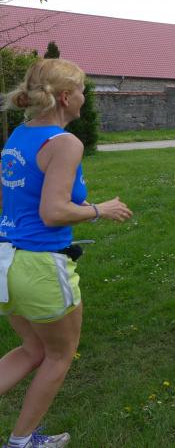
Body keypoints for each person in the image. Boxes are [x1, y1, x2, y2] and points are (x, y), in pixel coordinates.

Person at [0, 59, 132, 448]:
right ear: (64, 97)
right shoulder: (65, 143)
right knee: (60, 354)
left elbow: (18, 198)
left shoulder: (19, 135)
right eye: (82, 91)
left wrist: (81, 204)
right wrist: (99, 210)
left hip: (5, 259)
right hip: (40, 264)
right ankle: (22, 442)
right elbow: (52, 212)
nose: (84, 98)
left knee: (32, 348)